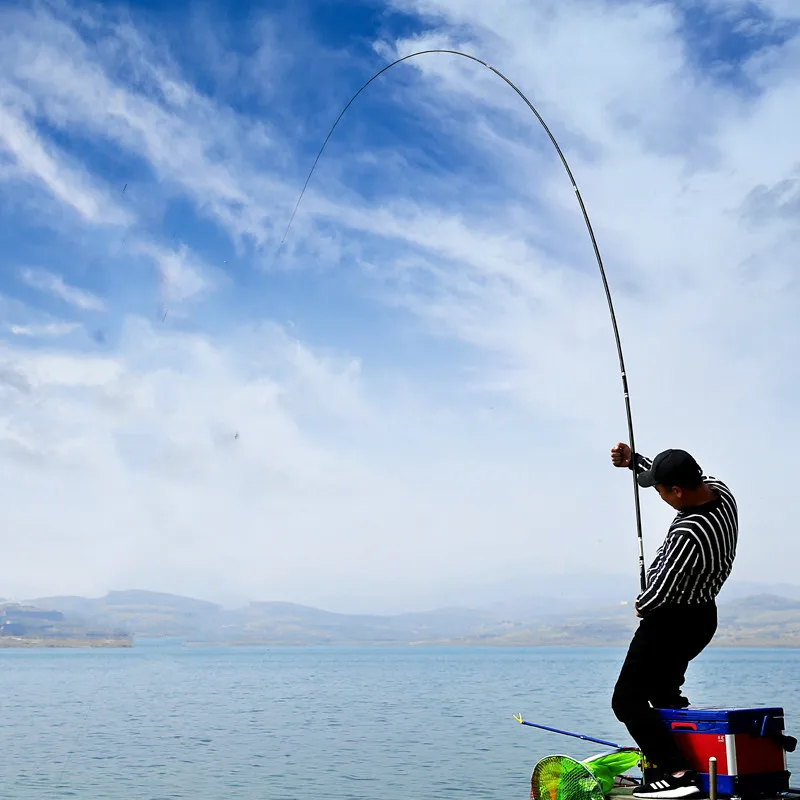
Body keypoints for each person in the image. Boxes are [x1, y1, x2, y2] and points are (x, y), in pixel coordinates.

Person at [609, 443, 738, 800]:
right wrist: (636, 462)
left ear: (678, 491)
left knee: (627, 701)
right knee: (664, 694)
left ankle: (677, 773)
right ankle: (687, 761)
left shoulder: (689, 534)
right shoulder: (720, 491)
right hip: (702, 617)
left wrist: (641, 604)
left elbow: (658, 593)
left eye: (662, 491)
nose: (661, 496)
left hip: (670, 623)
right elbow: (673, 476)